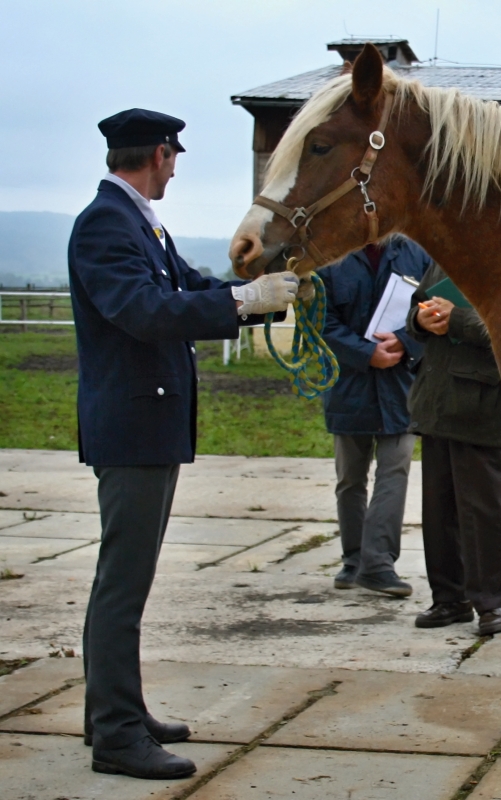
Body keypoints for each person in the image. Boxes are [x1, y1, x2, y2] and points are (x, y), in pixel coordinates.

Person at [69, 109, 297, 779]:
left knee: (126, 584)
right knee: (122, 585)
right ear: (160, 153)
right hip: (132, 427)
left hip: (148, 424)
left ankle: (115, 710)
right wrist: (241, 303)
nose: (176, 167)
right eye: (175, 156)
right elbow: (144, 311)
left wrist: (262, 296)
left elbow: (189, 286)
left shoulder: (140, 220)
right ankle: (115, 734)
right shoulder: (107, 223)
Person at [406, 264, 501, 635]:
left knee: (480, 511)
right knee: (438, 510)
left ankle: (490, 604)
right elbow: (414, 310)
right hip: (438, 400)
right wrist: (421, 320)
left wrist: (456, 320)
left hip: (481, 405)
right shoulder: (440, 258)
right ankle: (448, 600)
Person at [318, 236, 432, 596]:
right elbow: (321, 320)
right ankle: (354, 559)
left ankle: (379, 563)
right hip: (348, 386)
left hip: (401, 386)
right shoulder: (330, 255)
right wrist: (365, 353)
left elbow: (434, 309)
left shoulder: (417, 254)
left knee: (394, 472)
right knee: (350, 478)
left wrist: (405, 340)